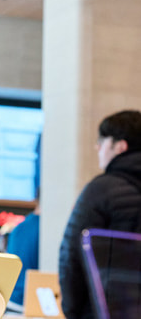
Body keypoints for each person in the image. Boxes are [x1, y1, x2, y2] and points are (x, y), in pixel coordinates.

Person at [58, 110, 141, 319]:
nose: (97, 147)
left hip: (102, 311)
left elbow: (72, 257)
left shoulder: (101, 190)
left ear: (120, 146)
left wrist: (73, 312)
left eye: (102, 141)